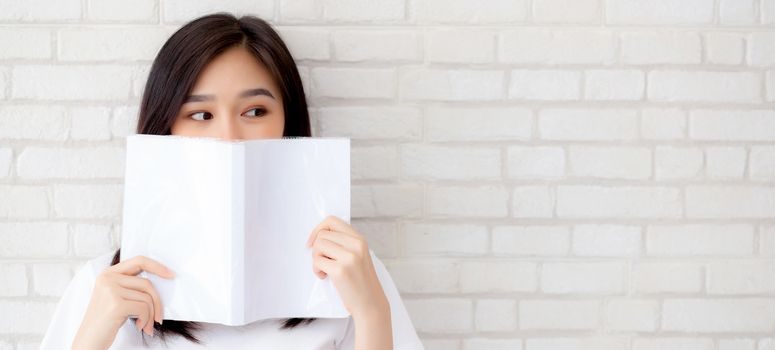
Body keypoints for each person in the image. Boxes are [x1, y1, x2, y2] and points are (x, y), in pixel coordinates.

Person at [39, 12, 423, 350]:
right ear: (166, 127)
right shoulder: (106, 285)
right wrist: (91, 336)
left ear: (288, 122)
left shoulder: (348, 269)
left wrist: (372, 312)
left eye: (255, 110)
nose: (229, 136)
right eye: (201, 114)